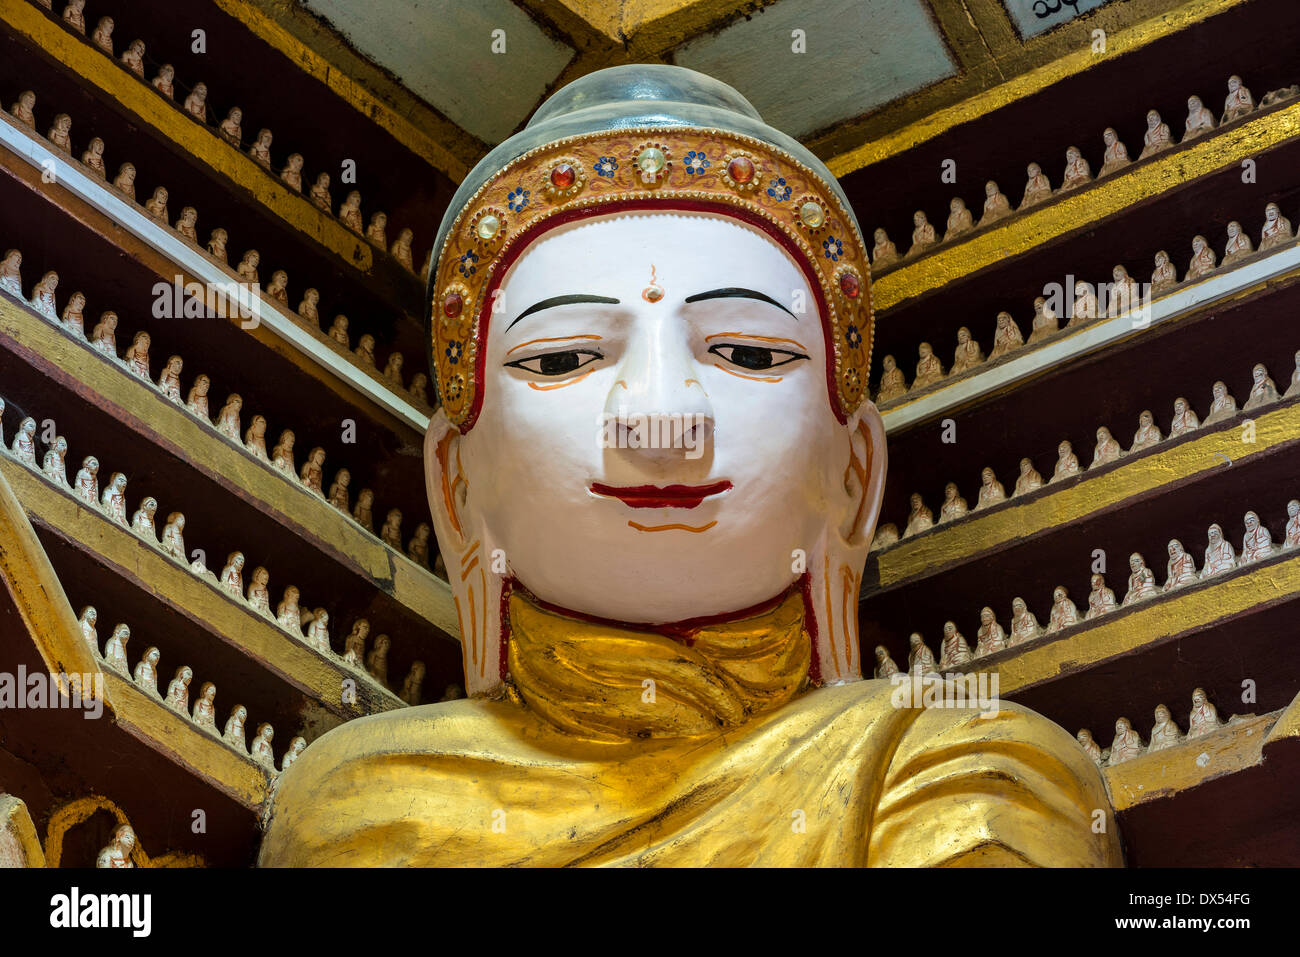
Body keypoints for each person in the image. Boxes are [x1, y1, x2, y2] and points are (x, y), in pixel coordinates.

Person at [259, 64, 1120, 869]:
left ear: (855, 472)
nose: (662, 421)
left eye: (746, 352)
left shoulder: (970, 776)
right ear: (455, 484)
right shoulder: (362, 808)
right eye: (561, 360)